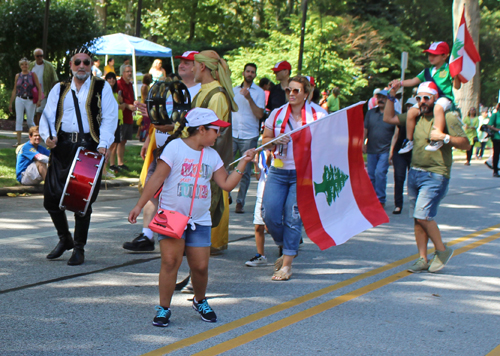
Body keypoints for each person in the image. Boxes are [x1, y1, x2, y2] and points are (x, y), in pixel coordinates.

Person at [128, 107, 255, 327]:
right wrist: (140, 206)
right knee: (170, 262)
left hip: (199, 220)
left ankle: (199, 300)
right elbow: (157, 178)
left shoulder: (212, 155)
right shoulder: (175, 148)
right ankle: (163, 308)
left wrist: (243, 162)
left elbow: (226, 184)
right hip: (172, 217)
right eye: (216, 130)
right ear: (202, 129)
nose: (219, 135)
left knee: (200, 267)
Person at [39, 46, 118, 265]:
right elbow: (47, 115)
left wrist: (103, 144)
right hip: (62, 146)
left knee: (81, 200)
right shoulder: (60, 88)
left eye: (86, 62)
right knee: (51, 199)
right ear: (71, 65)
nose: (82, 66)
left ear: (91, 64)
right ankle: (65, 239)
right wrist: (48, 137)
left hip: (89, 146)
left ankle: (79, 248)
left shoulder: (102, 87)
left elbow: (110, 117)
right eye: (77, 62)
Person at [383, 81, 470, 273]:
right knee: (418, 218)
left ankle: (442, 250)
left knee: (422, 215)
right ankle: (422, 258)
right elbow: (389, 118)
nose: (423, 102)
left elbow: (466, 144)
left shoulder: (448, 117)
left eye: (427, 98)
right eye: (419, 98)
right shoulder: (415, 116)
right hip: (414, 172)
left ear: (435, 99)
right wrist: (391, 95)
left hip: (436, 174)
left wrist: (445, 138)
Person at [122, 51, 203, 253]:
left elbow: (191, 125)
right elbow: (161, 118)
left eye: (187, 62)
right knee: (151, 188)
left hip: (182, 151)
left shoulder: (201, 93)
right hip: (162, 148)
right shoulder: (173, 88)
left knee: (172, 194)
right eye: (181, 62)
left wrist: (163, 124)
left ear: (198, 66)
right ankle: (148, 235)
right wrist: (149, 137)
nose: (182, 65)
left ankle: (178, 235)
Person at [261, 75, 327, 281]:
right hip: (279, 170)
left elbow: (328, 144)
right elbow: (265, 140)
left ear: (306, 94)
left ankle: (287, 264)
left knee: (293, 217)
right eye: (289, 90)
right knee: (269, 214)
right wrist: (274, 140)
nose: (291, 93)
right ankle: (290, 243)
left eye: (296, 90)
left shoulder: (319, 115)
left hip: (303, 173)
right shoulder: (277, 114)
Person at [191, 50, 239, 254]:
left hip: (208, 161)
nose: (192, 68)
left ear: (202, 67)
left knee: (209, 203)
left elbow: (211, 133)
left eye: (194, 64)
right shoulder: (205, 90)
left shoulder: (217, 95)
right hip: (197, 157)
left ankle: (205, 245)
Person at [392, 42, 461, 153]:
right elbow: (413, 81)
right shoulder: (426, 71)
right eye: (429, 54)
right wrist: (400, 83)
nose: (431, 57)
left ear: (444, 56)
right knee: (411, 112)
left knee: (438, 108)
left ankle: (436, 138)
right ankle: (409, 140)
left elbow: (457, 86)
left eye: (435, 55)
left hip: (443, 98)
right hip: (427, 99)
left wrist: (456, 77)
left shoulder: (450, 69)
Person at [232, 63, 265, 213]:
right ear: (243, 73)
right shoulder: (234, 90)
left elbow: (259, 114)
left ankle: (240, 201)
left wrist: (249, 98)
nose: (250, 74)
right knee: (226, 165)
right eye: (248, 71)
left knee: (245, 170)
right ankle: (225, 196)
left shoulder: (259, 92)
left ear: (255, 75)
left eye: (253, 72)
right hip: (233, 133)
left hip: (249, 134)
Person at [363, 89, 395, 207]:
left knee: (380, 173)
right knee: (371, 175)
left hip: (385, 150)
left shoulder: (394, 115)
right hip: (371, 149)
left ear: (388, 100)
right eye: (379, 97)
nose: (381, 100)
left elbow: (395, 135)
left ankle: (380, 199)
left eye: (383, 97)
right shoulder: (370, 113)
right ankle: (372, 199)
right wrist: (363, 143)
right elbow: (365, 129)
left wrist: (392, 151)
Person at [390, 97, 416, 214]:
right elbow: (395, 135)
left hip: (413, 152)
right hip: (399, 151)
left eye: (412, 106)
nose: (410, 108)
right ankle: (398, 205)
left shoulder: (419, 120)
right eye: (408, 106)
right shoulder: (402, 119)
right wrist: (391, 151)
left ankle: (415, 203)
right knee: (399, 177)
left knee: (413, 179)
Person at [9, 58, 42, 147]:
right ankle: (19, 142)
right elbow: (15, 89)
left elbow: (38, 88)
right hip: (19, 98)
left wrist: (39, 100)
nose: (24, 66)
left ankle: (34, 139)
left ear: (28, 65)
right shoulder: (17, 75)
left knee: (30, 121)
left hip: (30, 100)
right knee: (19, 119)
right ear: (20, 66)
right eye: (22, 64)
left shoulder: (32, 74)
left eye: (26, 64)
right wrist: (10, 102)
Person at [245, 149, 270, 267]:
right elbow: (259, 176)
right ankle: (261, 255)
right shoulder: (262, 154)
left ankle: (285, 251)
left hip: (275, 195)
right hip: (262, 194)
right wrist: (256, 164)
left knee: (273, 227)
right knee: (258, 226)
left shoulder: (282, 153)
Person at [104, 71, 125, 179]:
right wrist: (120, 105)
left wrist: (121, 104)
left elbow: (120, 105)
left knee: (114, 144)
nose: (112, 80)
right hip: (110, 121)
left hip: (117, 120)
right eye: (109, 78)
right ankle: (104, 168)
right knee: (108, 145)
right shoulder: (105, 92)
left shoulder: (116, 92)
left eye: (113, 78)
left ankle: (111, 165)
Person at [114, 64, 136, 171]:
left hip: (129, 116)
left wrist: (135, 103)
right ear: (123, 72)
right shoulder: (119, 84)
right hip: (121, 116)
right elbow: (118, 100)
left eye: (130, 71)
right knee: (119, 140)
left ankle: (121, 163)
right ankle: (117, 163)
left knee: (124, 141)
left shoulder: (130, 84)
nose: (130, 73)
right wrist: (128, 106)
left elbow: (131, 98)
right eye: (127, 71)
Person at [30, 48, 59, 126]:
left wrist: (54, 93)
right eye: (38, 56)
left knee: (40, 111)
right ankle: (36, 130)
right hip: (32, 94)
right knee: (33, 113)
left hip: (44, 92)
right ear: (34, 56)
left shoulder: (48, 66)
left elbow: (55, 80)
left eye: (41, 56)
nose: (40, 57)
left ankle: (39, 130)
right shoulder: (31, 66)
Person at [488, 103, 500, 178]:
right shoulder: (495, 115)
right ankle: (495, 170)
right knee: (496, 154)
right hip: (497, 137)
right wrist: (496, 129)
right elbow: (489, 125)